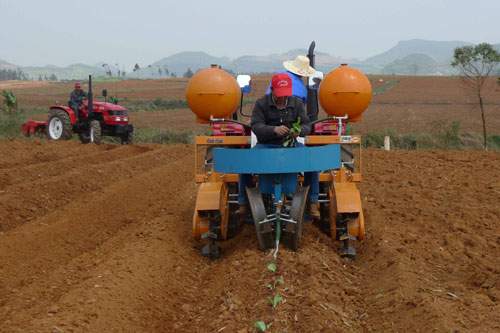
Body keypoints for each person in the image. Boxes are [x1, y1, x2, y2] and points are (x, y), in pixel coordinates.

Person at [238, 73, 320, 218]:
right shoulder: (261, 103)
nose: (282, 98)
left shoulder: (296, 103)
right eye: (280, 94)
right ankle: (244, 203)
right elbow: (256, 126)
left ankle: (312, 202)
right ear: (272, 89)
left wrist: (300, 131)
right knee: (244, 162)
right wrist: (274, 130)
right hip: (266, 146)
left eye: (285, 94)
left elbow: (307, 124)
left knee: (312, 161)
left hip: (291, 147)